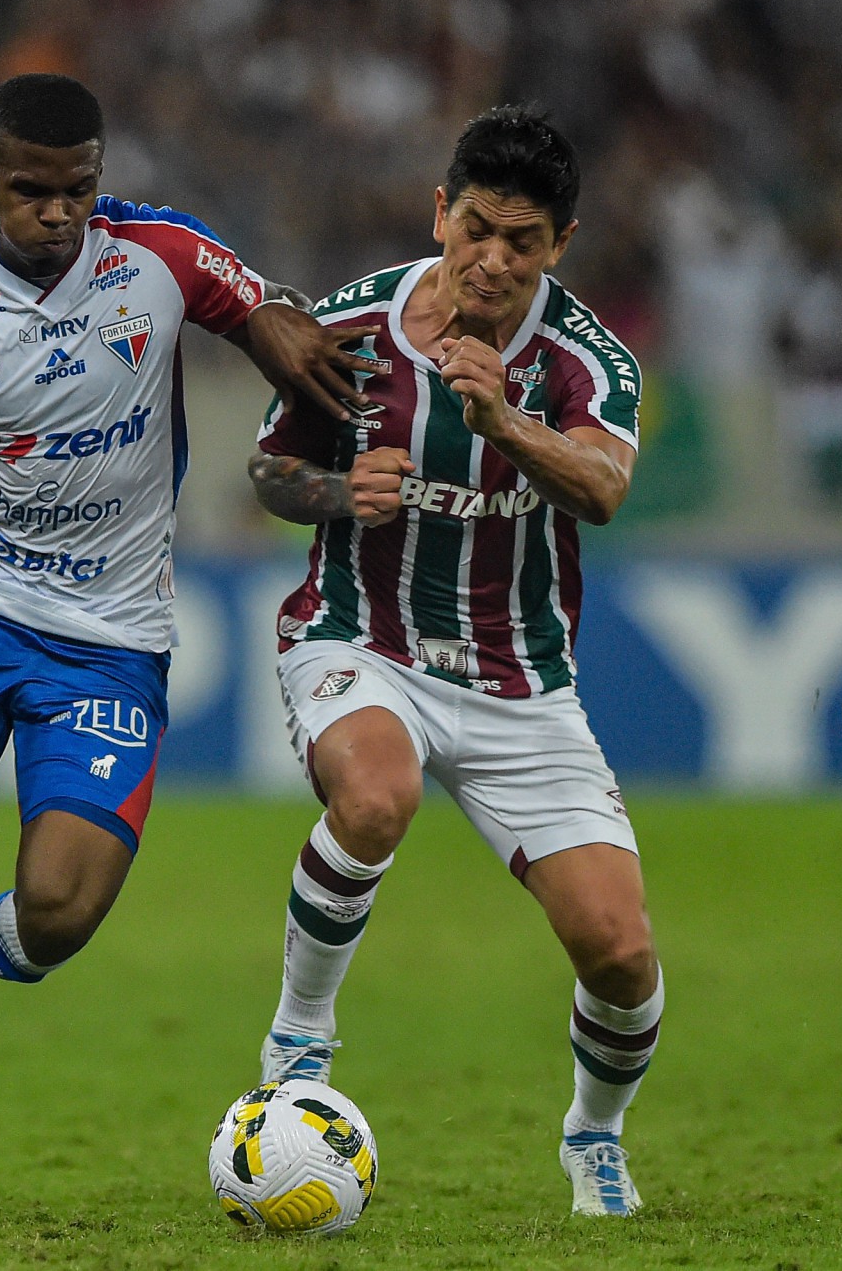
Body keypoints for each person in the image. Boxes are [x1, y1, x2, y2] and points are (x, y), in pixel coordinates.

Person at [0, 73, 383, 1220]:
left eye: (80, 191)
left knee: (55, 919)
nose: (60, 214)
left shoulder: (159, 258)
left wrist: (305, 369)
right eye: (34, 193)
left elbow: (269, 321)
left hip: (108, 646)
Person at [245, 105, 662, 1217]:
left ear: (560, 244)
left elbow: (607, 489)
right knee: (377, 797)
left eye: (522, 242)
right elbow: (269, 476)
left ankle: (594, 1135)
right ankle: (302, 1034)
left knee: (620, 953)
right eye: (476, 227)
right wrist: (338, 491)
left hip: (521, 681)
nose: (492, 258)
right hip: (358, 639)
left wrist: (506, 422)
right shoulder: (349, 328)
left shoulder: (584, 361)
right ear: (441, 210)